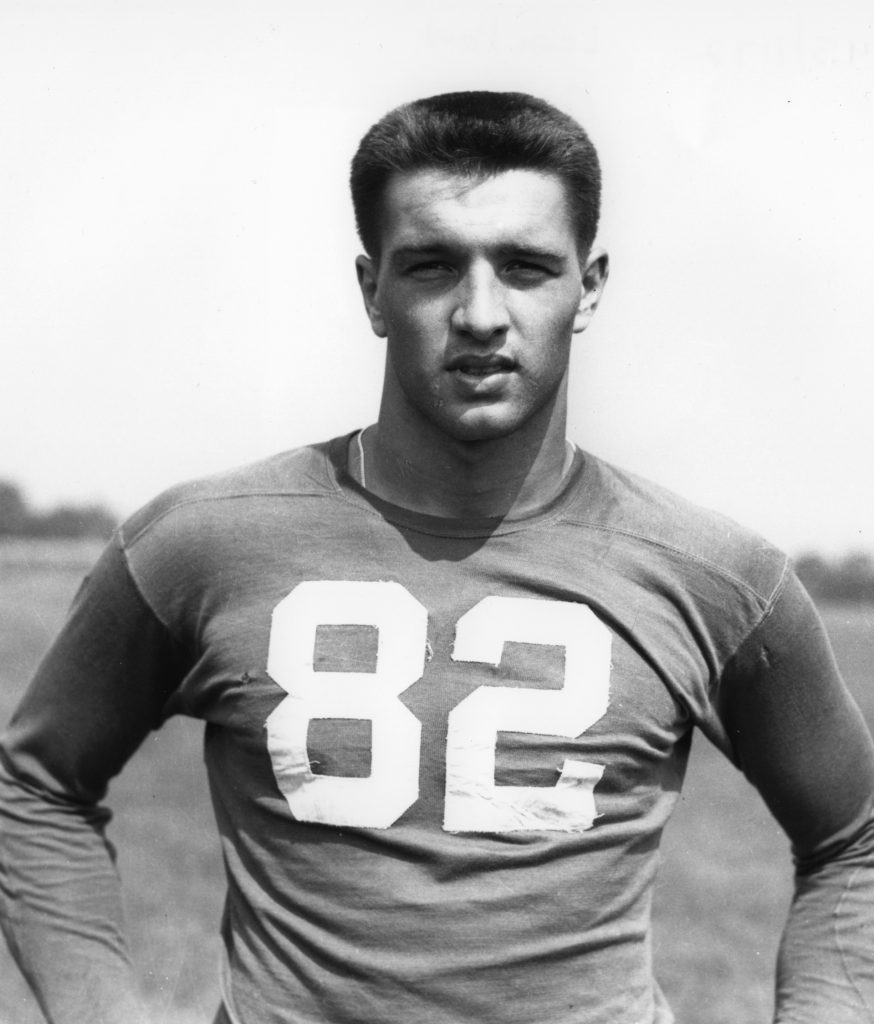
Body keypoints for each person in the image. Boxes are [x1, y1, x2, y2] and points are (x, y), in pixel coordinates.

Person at [1, 90, 872, 1024]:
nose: (481, 314)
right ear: (371, 289)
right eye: (432, 265)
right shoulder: (203, 541)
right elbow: (34, 785)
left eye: (527, 267)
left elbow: (853, 838)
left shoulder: (715, 575)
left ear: (589, 287)